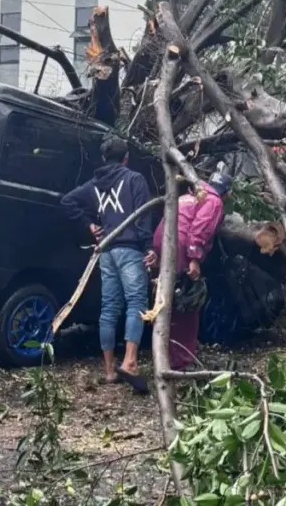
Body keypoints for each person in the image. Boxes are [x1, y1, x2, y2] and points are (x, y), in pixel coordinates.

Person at [61, 136, 155, 393]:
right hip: (129, 250)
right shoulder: (134, 179)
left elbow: (68, 201)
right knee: (136, 302)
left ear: (104, 159)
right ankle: (131, 361)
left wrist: (89, 225)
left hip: (106, 253)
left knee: (109, 307)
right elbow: (142, 215)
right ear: (126, 158)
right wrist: (148, 247)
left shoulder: (94, 185)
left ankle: (110, 370)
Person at [152, 165, 230, 369]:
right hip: (180, 244)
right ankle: (183, 359)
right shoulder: (213, 201)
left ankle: (166, 353)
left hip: (164, 240)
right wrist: (194, 259)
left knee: (167, 298)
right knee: (187, 300)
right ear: (227, 193)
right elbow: (199, 230)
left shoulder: (187, 197)